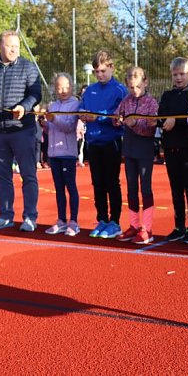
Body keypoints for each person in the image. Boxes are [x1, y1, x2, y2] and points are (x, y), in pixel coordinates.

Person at [0, 30, 42, 231]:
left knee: (28, 175)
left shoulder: (28, 67)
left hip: (22, 130)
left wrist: (24, 106)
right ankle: (5, 216)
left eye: (16, 46)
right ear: (0, 46)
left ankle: (30, 217)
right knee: (2, 176)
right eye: (10, 45)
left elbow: (36, 93)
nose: (13, 49)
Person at [79, 50, 127, 238]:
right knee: (97, 183)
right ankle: (102, 219)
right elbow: (82, 106)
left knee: (112, 183)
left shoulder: (119, 89)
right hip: (93, 142)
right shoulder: (90, 90)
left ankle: (115, 222)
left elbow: (119, 113)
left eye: (103, 71)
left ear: (111, 68)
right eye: (96, 71)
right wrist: (82, 113)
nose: (100, 75)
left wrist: (97, 116)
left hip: (111, 142)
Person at [115, 66, 159, 244]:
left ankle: (147, 228)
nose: (135, 90)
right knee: (131, 188)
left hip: (145, 149)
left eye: (138, 86)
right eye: (131, 87)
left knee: (145, 188)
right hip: (129, 149)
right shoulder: (126, 101)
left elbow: (152, 126)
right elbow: (117, 118)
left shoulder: (151, 102)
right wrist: (117, 119)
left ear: (145, 82)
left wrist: (135, 123)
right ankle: (133, 225)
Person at [158, 57, 188, 244]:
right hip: (171, 148)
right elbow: (161, 117)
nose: (179, 78)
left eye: (182, 74)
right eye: (175, 74)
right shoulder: (167, 96)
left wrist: (177, 120)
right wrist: (164, 121)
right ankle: (179, 226)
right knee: (176, 190)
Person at [42, 73, 82, 237]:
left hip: (68, 153)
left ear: (72, 87)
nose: (63, 90)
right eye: (59, 87)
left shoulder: (76, 105)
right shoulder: (53, 105)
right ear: (55, 89)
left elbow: (69, 127)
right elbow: (50, 129)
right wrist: (44, 122)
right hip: (54, 153)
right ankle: (61, 220)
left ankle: (74, 221)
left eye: (66, 87)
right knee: (58, 188)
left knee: (70, 186)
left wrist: (54, 119)